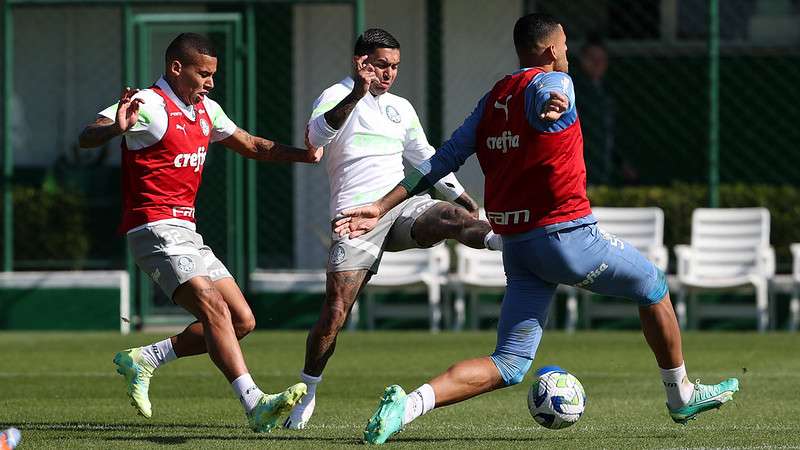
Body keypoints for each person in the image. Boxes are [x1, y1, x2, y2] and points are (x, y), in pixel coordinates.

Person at [335, 14, 739, 444]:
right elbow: (552, 91)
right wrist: (552, 107)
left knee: (510, 363)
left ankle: (407, 405)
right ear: (550, 50)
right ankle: (681, 396)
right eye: (564, 45)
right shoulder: (556, 83)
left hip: (519, 248)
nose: (567, 51)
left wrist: (380, 206)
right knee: (654, 285)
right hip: (567, 237)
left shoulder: (494, 97)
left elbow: (440, 160)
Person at [78, 33, 319, 432]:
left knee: (242, 321)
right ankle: (255, 403)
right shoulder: (149, 104)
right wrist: (112, 130)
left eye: (212, 75)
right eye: (203, 74)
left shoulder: (206, 109)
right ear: (177, 68)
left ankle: (146, 358)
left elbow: (253, 145)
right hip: (153, 226)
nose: (210, 82)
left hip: (187, 231)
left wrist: (304, 156)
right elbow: (87, 135)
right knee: (212, 306)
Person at [283, 28, 502, 430]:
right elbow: (315, 137)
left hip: (401, 207)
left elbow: (426, 159)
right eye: (382, 65)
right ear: (361, 62)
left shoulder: (400, 107)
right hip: (356, 217)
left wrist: (465, 201)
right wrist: (356, 95)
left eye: (395, 66)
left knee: (453, 219)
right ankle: (308, 391)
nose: (389, 74)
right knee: (334, 313)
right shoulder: (336, 95)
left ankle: (499, 239)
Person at [573, 34, 637, 185]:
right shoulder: (574, 90)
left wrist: (621, 162)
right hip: (582, 164)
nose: (597, 63)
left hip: (604, 165)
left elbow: (611, 134)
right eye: (592, 58)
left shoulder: (607, 92)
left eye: (602, 59)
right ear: (582, 59)